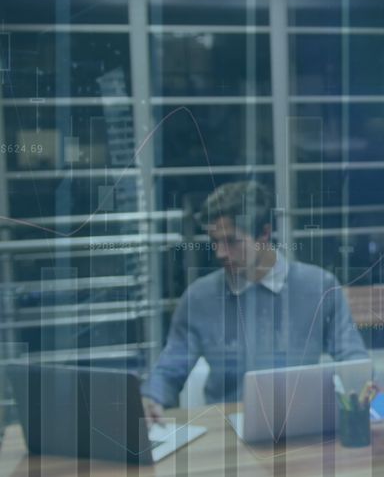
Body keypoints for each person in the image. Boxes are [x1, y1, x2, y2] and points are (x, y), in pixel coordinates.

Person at [142, 181, 367, 423]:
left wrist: (360, 386)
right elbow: (171, 366)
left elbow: (352, 356)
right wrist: (152, 397)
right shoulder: (199, 298)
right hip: (225, 431)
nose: (220, 253)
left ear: (264, 234)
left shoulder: (320, 287)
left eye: (231, 241)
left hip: (301, 423)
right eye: (214, 242)